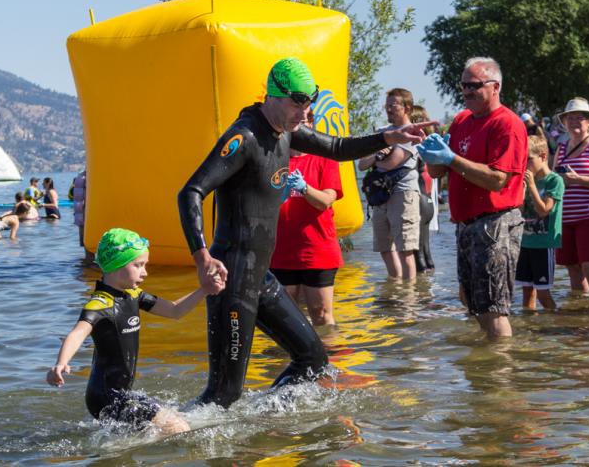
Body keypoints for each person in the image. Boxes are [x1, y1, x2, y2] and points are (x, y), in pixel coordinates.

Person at [178, 57, 434, 407]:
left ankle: (264, 416)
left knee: (313, 359)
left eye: (309, 102)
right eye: (299, 102)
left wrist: (389, 136)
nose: (306, 111)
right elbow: (190, 192)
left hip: (261, 278)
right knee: (224, 393)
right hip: (232, 277)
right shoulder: (244, 136)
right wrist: (202, 257)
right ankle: (172, 436)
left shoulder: (286, 132)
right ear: (274, 96)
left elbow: (338, 147)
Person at [46, 228, 223, 434]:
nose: (145, 272)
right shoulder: (99, 304)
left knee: (177, 418)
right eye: (138, 265)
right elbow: (77, 333)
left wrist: (205, 290)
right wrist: (61, 363)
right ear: (116, 265)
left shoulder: (133, 295)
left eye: (144, 265)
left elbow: (175, 310)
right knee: (177, 429)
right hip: (105, 397)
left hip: (122, 393)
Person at [420, 56, 527, 339]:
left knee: (493, 307)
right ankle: (484, 373)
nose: (467, 91)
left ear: (495, 87)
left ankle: (501, 375)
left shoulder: (508, 124)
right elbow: (440, 170)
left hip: (497, 223)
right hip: (466, 224)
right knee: (472, 304)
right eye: (464, 85)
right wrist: (431, 154)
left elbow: (497, 179)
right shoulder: (462, 119)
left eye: (475, 85)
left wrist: (453, 158)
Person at [269, 110, 343, 327]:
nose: (300, 123)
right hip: (281, 251)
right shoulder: (274, 158)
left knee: (321, 316)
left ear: (312, 123)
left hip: (317, 249)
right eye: (295, 119)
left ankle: (328, 358)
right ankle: (285, 361)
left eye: (306, 119)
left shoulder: (324, 158)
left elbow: (326, 201)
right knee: (285, 320)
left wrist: (304, 189)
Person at [358, 88, 421, 280]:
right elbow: (361, 164)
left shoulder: (412, 133)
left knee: (405, 250)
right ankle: (395, 289)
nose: (389, 109)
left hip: (403, 195)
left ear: (407, 108)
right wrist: (379, 154)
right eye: (387, 105)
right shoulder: (381, 133)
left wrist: (376, 157)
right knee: (384, 248)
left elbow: (391, 162)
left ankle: (408, 298)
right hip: (380, 197)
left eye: (393, 105)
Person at [553, 98, 589, 295]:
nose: (574, 121)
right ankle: (584, 316)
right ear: (564, 122)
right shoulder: (561, 148)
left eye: (579, 117)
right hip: (564, 218)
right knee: (573, 268)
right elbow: (553, 182)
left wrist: (578, 179)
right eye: (570, 118)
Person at [517, 134, 564, 310]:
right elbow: (519, 211)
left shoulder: (554, 180)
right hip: (525, 242)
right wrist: (521, 191)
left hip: (543, 244)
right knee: (527, 292)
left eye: (528, 160)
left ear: (543, 156)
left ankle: (555, 327)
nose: (525, 165)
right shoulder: (529, 180)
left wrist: (531, 187)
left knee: (543, 294)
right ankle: (532, 332)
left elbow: (544, 210)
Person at [410, 105, 437, 273]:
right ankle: (428, 294)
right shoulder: (430, 143)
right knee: (426, 253)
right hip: (428, 201)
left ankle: (418, 297)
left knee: (417, 255)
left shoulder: (413, 146)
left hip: (418, 201)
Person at [72, 170, 94, 261]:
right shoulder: (88, 177)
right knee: (90, 247)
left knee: (88, 247)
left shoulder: (80, 177)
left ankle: (87, 267)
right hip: (86, 214)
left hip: (81, 215)